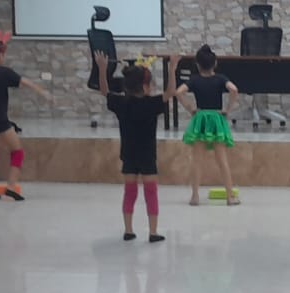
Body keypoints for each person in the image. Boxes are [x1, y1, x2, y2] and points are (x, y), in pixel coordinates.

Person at [99, 52, 170, 242]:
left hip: (129, 155)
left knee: (130, 192)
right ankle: (153, 232)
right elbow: (170, 92)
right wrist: (172, 69)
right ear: (145, 87)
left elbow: (105, 91)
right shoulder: (152, 104)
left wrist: (102, 69)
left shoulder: (121, 103)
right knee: (151, 193)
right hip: (147, 156)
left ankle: (128, 230)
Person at [0, 38, 53, 201]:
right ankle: (11, 187)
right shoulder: (4, 73)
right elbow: (26, 83)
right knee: (17, 151)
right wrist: (44, 93)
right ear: (0, 55)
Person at [177, 45, 240, 206]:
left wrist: (190, 108)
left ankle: (195, 196)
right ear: (215, 63)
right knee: (222, 160)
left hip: (201, 119)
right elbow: (234, 89)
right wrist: (228, 109)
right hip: (216, 118)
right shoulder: (220, 78)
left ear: (197, 65)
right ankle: (229, 197)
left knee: (197, 160)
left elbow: (179, 92)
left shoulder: (194, 79)